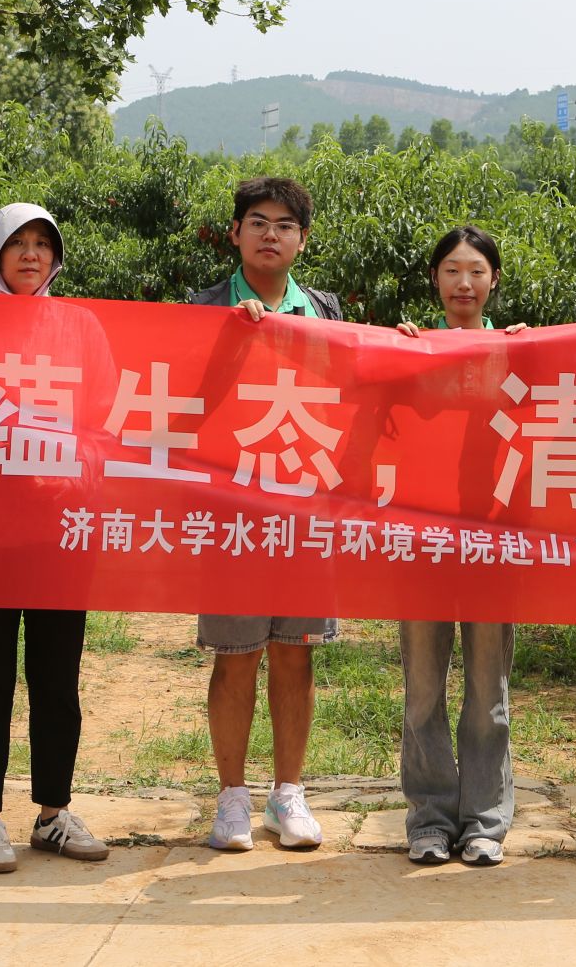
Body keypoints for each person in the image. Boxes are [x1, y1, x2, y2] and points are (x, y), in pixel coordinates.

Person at [189, 176, 344, 852]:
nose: (270, 234)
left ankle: (288, 793)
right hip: (231, 511)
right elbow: (182, 397)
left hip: (306, 509)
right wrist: (227, 338)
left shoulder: (327, 311)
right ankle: (231, 798)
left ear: (302, 240)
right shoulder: (202, 308)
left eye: (285, 225)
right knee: (235, 656)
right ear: (235, 233)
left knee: (295, 654)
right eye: (258, 222)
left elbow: (355, 391)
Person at [0, 204, 109, 874]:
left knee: (57, 677)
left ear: (56, 257)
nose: (30, 254)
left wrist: (79, 469)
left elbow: (104, 413)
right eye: (17, 242)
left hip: (61, 530)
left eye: (43, 243)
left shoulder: (80, 326)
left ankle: (53, 813)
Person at [394, 226, 527, 867]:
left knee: (487, 694)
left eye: (476, 271)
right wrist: (399, 356)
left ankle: (484, 822)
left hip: (491, 545)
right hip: (423, 543)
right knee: (423, 690)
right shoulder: (411, 352)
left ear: (493, 281)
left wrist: (537, 355)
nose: (464, 283)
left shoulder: (518, 353)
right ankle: (428, 819)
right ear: (435, 280)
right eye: (451, 270)